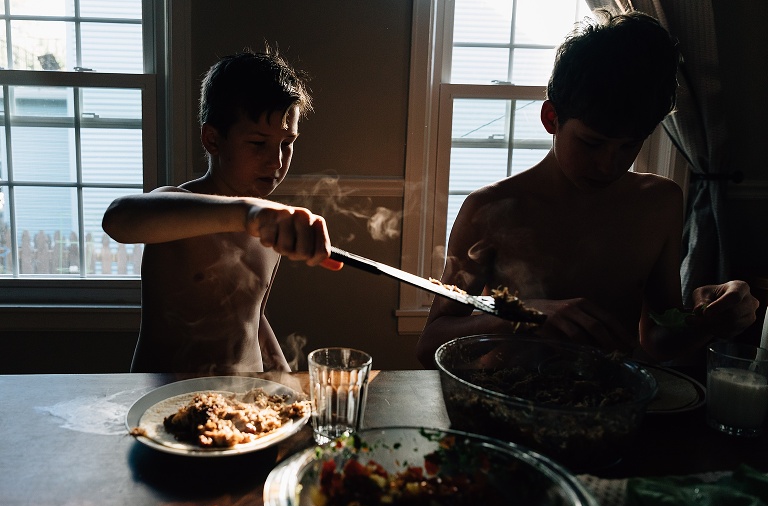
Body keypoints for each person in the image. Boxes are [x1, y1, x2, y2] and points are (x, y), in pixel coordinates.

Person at [416, 11, 758, 368]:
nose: (608, 165)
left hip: (609, 405)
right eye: (592, 144)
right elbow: (429, 345)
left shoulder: (660, 203)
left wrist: (707, 320)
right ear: (551, 119)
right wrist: (521, 317)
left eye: (629, 146)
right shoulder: (489, 209)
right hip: (507, 402)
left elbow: (657, 339)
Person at [103, 48, 334, 374]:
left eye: (287, 143)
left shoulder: (271, 224)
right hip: (168, 404)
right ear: (213, 139)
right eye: (258, 143)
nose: (276, 161)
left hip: (243, 399)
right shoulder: (176, 206)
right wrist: (247, 213)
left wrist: (287, 379)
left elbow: (252, 316)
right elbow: (118, 218)